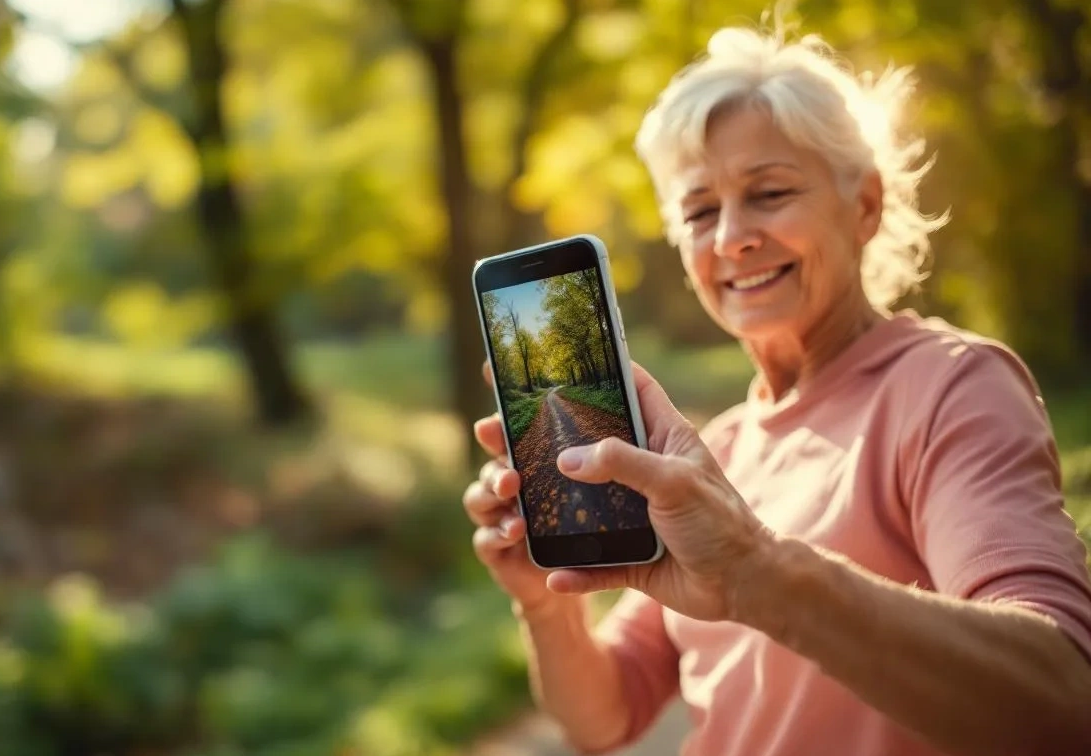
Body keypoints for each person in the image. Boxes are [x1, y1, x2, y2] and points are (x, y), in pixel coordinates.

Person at [462, 22, 1091, 756]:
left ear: (864, 206)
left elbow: (1060, 699)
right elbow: (604, 716)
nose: (731, 237)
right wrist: (544, 605)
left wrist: (757, 574)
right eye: (700, 211)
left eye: (769, 192)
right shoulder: (713, 448)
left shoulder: (952, 386)